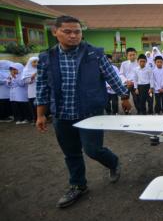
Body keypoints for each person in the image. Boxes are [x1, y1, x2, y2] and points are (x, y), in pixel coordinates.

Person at [36, 16, 131, 208]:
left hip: (91, 112)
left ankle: (113, 162)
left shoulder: (94, 54)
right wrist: (40, 114)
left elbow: (111, 75)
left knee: (93, 149)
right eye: (67, 32)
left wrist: (124, 96)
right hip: (61, 114)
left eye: (77, 32)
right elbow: (41, 86)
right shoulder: (47, 57)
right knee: (71, 153)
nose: (73, 36)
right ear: (55, 32)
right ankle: (78, 185)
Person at [119, 47, 139, 113]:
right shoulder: (124, 64)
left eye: (134, 54)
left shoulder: (139, 63)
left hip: (135, 84)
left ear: (136, 54)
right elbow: (121, 74)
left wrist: (133, 82)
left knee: (136, 99)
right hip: (126, 84)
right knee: (124, 99)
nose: (132, 56)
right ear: (127, 56)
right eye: (130, 55)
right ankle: (127, 111)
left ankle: (139, 111)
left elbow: (140, 74)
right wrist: (126, 81)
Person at [22, 56, 39, 123]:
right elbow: (25, 81)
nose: (36, 63)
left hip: (40, 90)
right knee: (33, 105)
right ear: (30, 63)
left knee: (41, 105)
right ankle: (35, 119)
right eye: (34, 62)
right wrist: (32, 77)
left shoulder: (40, 69)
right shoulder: (26, 70)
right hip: (32, 90)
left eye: (37, 62)